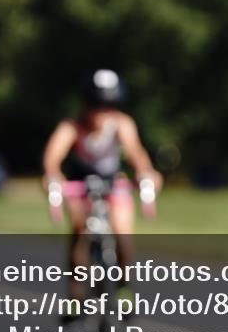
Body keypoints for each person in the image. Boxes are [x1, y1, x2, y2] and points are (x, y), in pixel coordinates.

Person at [42, 68, 163, 314]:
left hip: (113, 184)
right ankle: (75, 296)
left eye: (109, 105)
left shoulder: (121, 123)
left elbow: (136, 153)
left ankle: (124, 287)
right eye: (96, 105)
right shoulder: (71, 127)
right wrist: (53, 177)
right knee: (79, 227)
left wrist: (145, 173)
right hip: (79, 185)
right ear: (86, 104)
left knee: (122, 230)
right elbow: (52, 159)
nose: (102, 112)